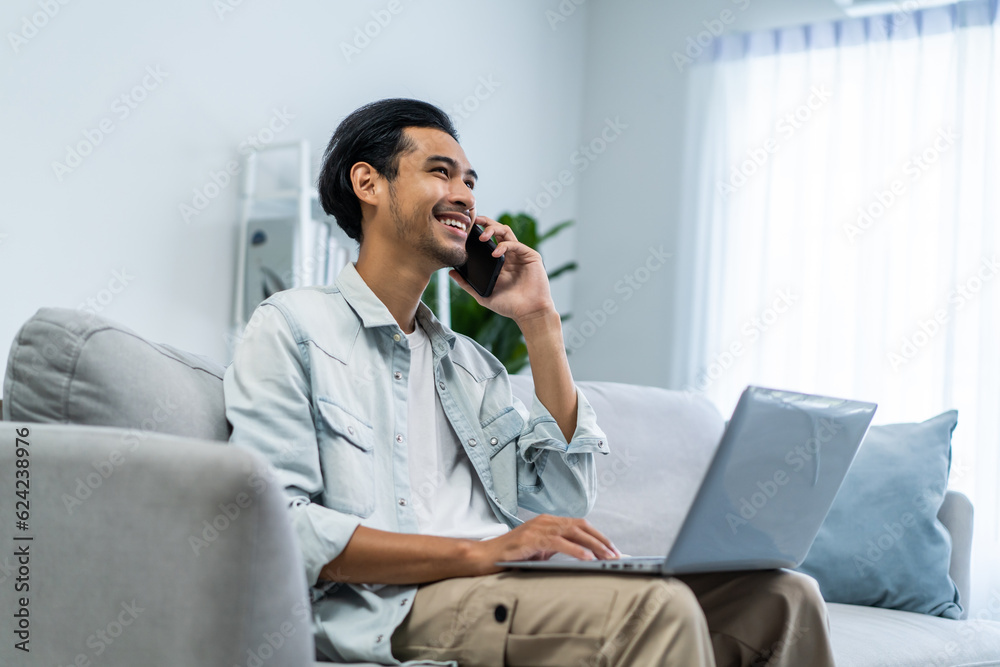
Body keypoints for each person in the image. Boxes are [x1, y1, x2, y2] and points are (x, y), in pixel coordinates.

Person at [223, 98, 836, 666]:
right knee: (658, 607)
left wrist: (539, 322)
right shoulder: (293, 328)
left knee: (784, 597)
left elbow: (563, 501)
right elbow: (280, 521)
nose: (463, 194)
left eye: (469, 181)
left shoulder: (470, 365)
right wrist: (477, 553)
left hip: (502, 586)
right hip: (397, 607)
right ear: (369, 184)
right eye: (441, 172)